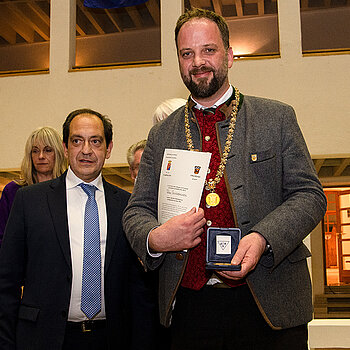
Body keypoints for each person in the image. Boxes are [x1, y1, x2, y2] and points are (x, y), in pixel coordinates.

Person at [123, 8, 327, 350]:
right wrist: (156, 237)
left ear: (230, 55)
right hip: (191, 307)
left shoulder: (276, 117)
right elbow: (135, 212)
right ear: (179, 61)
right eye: (187, 53)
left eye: (208, 50)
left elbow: (310, 195)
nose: (198, 61)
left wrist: (262, 237)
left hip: (270, 304)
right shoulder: (161, 134)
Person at [0, 109, 158, 350]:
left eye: (95, 141)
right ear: (65, 148)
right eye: (77, 141)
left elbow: (138, 288)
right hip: (44, 338)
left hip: (111, 338)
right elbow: (7, 281)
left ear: (109, 148)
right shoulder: (29, 201)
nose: (86, 150)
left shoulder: (127, 206)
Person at [0, 126, 66, 247]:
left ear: (58, 153)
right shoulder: (13, 191)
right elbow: (2, 237)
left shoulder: (69, 190)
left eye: (48, 150)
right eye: (35, 151)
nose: (41, 156)